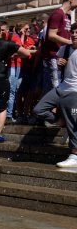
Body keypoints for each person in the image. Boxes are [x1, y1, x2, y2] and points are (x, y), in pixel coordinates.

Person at [33, 23, 77, 168]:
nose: (74, 35)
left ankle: (74, 154)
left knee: (73, 121)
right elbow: (60, 67)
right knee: (38, 110)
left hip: (75, 91)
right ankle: (60, 121)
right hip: (62, 87)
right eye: (73, 32)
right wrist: (59, 64)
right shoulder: (65, 49)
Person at [41, 0, 77, 94]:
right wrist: (70, 42)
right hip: (54, 57)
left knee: (61, 87)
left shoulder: (67, 16)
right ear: (71, 0)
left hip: (62, 57)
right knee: (55, 89)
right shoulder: (58, 14)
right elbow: (51, 35)